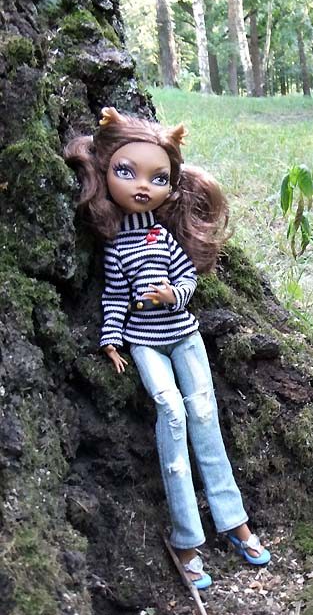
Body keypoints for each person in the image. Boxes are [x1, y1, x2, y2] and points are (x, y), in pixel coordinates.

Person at [64, 106, 270, 590]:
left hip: (183, 332)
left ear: (171, 185)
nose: (142, 186)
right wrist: (111, 340)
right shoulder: (115, 248)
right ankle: (186, 539)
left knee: (204, 413)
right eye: (126, 172)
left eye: (157, 178)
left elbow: (188, 280)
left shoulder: (164, 237)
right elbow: (115, 297)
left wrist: (171, 295)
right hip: (143, 341)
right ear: (105, 173)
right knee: (172, 414)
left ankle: (234, 521)